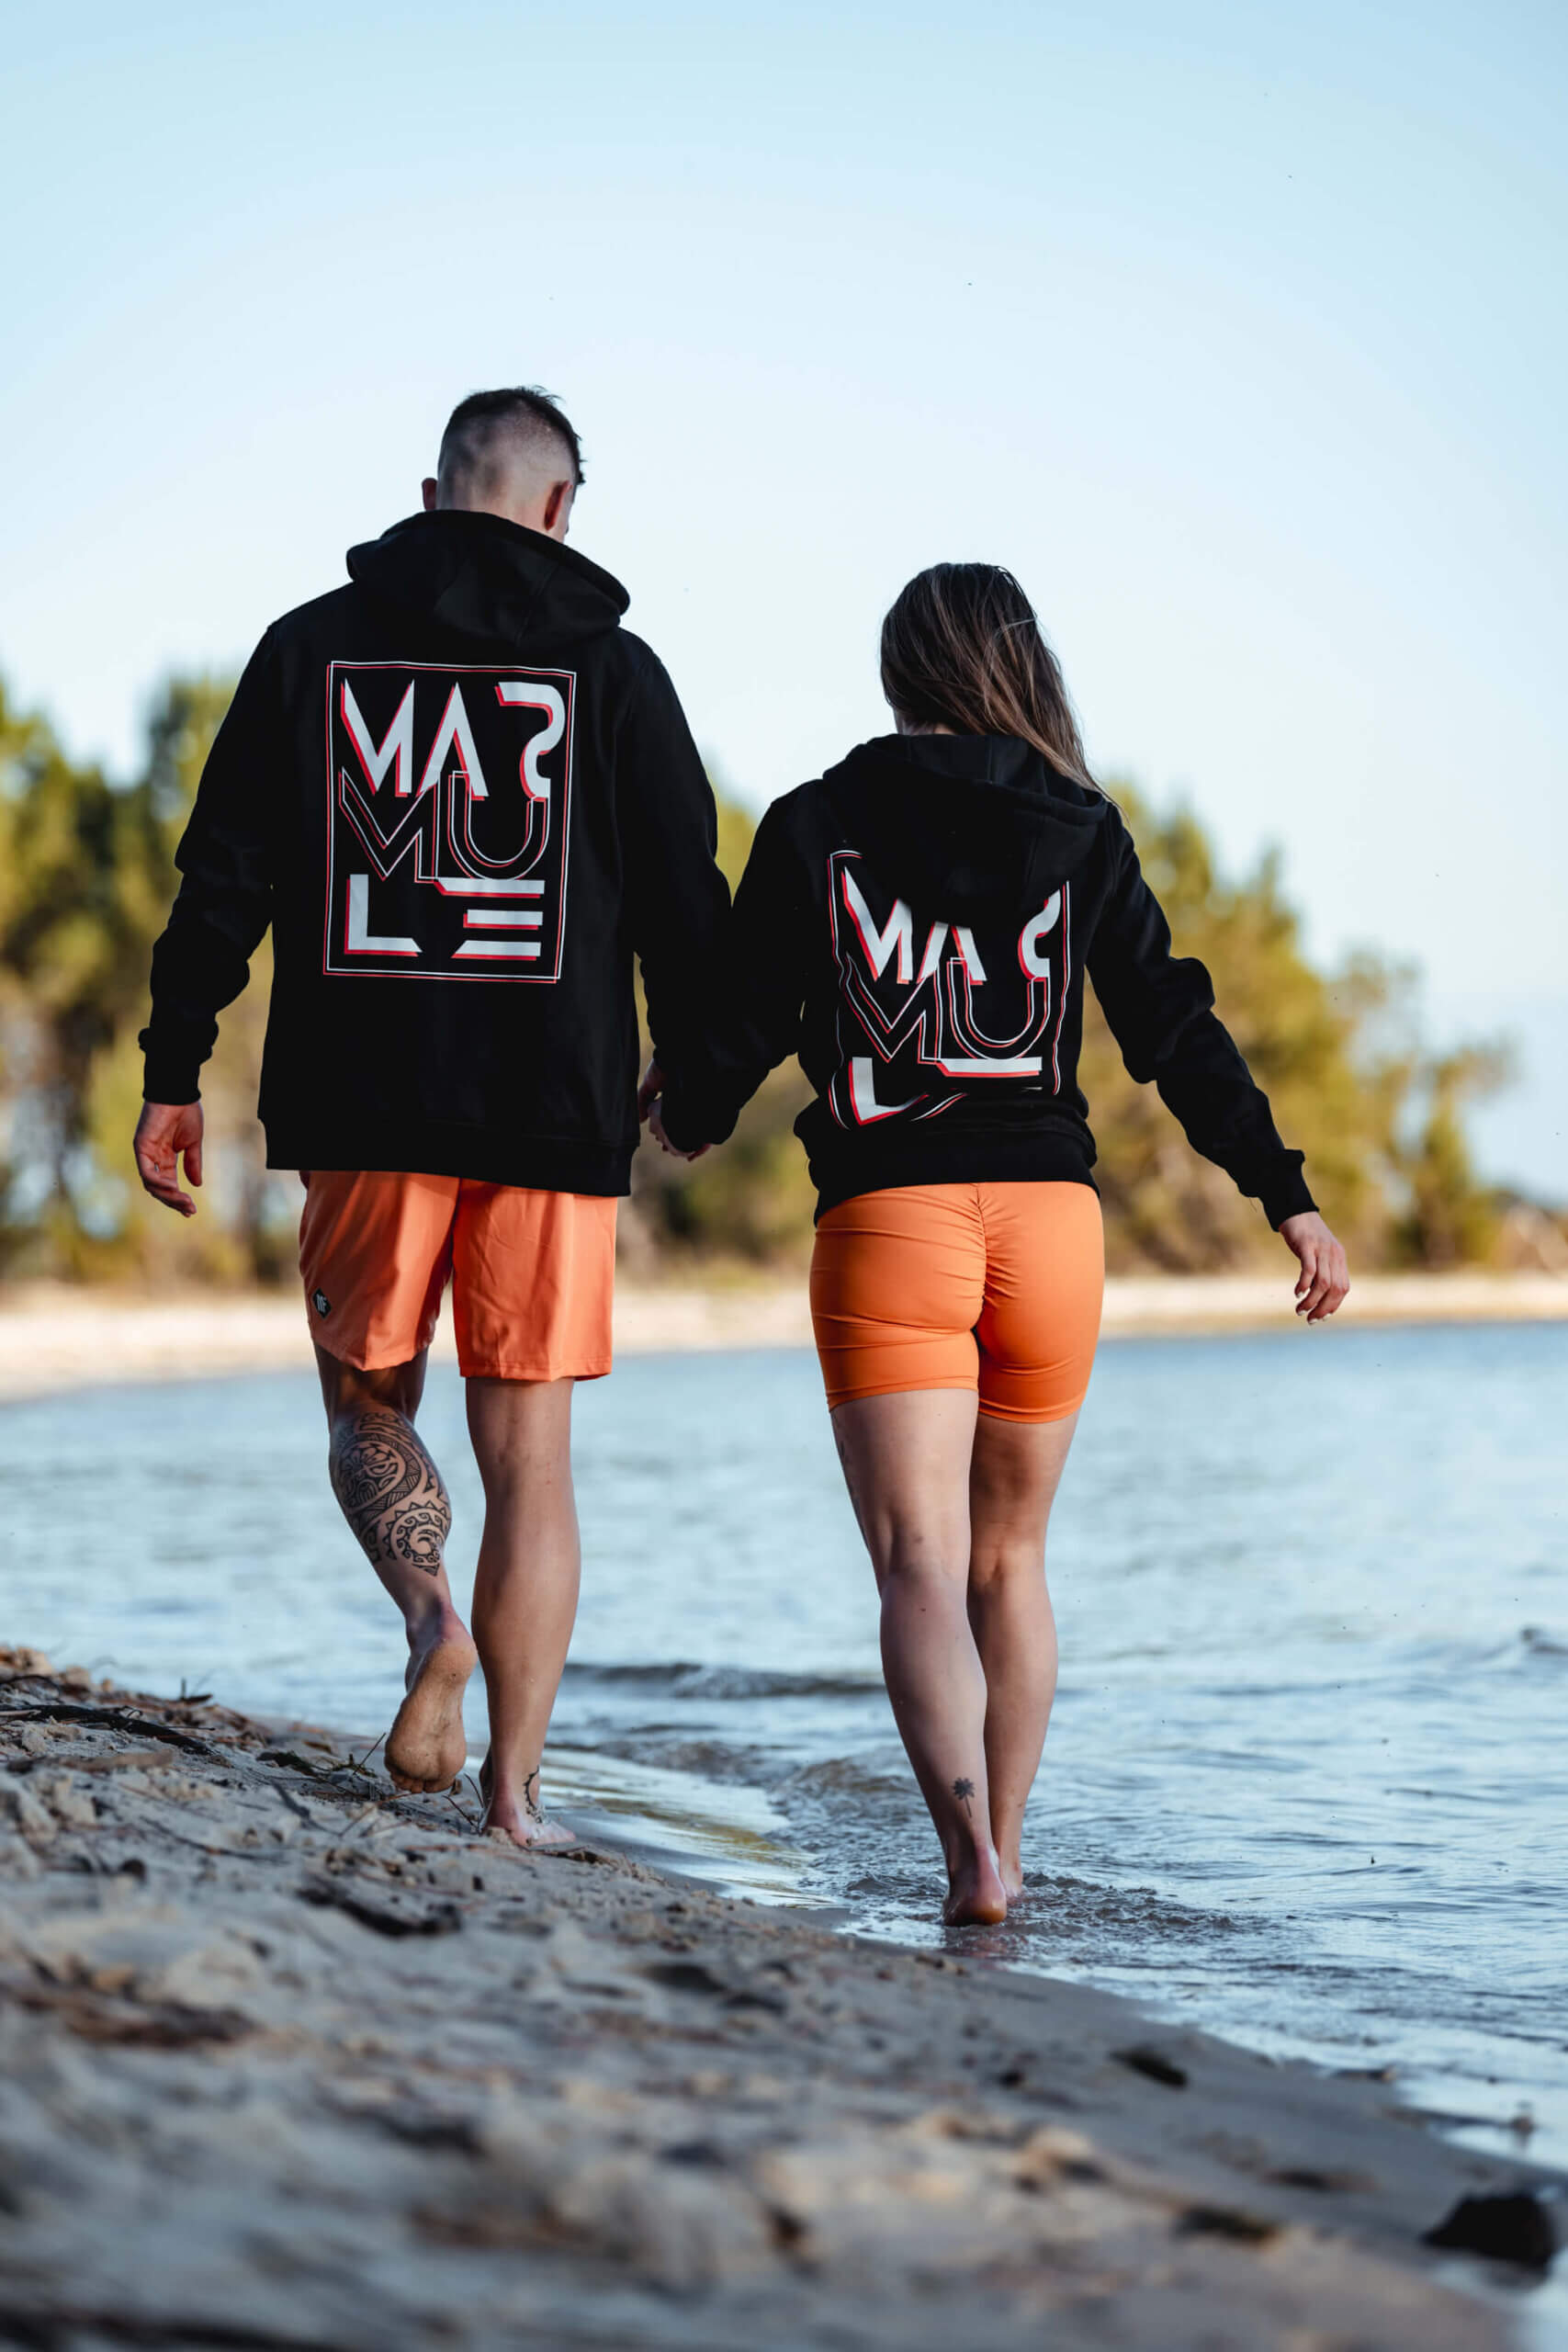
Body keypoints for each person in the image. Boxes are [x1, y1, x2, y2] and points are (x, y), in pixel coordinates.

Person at [642, 562, 1348, 1925]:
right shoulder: (1081, 825)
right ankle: (1008, 1857)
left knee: (918, 1560)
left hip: (890, 1221)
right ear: (1019, 667)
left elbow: (750, 1013)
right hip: (1049, 1228)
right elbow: (1172, 1025)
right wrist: (1285, 1193)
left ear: (899, 671)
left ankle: (964, 1858)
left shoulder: (816, 822)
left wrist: (688, 1107)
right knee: (1010, 1560)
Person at [135, 386, 730, 1842]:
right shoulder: (617, 673)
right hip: (555, 1111)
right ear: (559, 511)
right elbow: (687, 901)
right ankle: (515, 1799)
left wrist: (172, 1066)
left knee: (367, 1404)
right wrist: (701, 1076)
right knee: (533, 1461)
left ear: (430, 495)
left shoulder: (309, 649)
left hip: (365, 1106)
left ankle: (431, 1624)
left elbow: (223, 878)